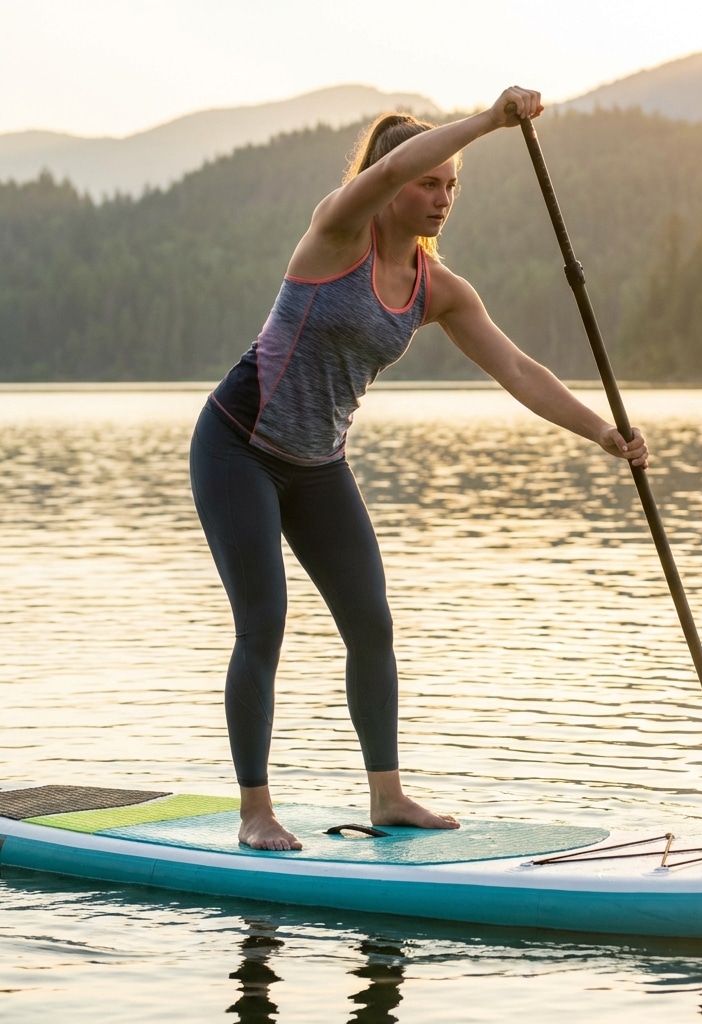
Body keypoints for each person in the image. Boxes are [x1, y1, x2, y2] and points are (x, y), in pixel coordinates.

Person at [189, 86, 649, 851]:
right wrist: (494, 121)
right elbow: (402, 155)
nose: (441, 197)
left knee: (371, 624)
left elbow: (521, 370)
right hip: (238, 445)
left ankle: (388, 798)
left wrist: (604, 432)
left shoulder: (438, 288)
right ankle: (255, 811)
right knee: (264, 622)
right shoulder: (337, 232)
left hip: (317, 465)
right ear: (388, 180)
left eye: (451, 186)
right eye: (428, 182)